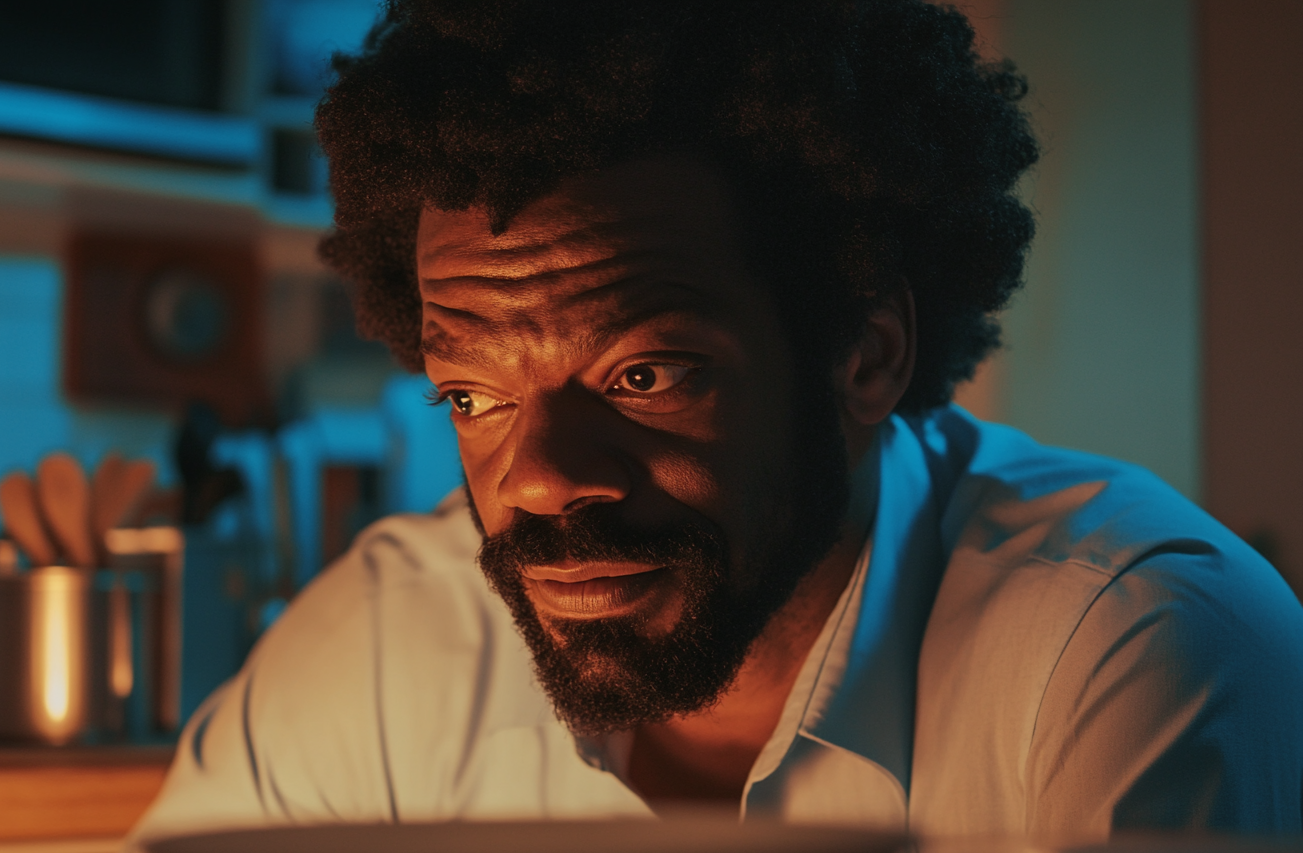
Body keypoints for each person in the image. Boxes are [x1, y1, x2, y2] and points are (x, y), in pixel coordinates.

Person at [131, 0, 1303, 846]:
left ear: (865, 352)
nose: (538, 481)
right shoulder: (391, 644)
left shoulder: (1132, 650)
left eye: (643, 376)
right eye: (473, 397)